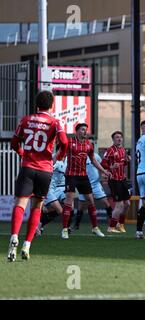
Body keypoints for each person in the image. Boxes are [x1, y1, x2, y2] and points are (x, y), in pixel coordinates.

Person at [7, 91, 68, 261]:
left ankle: (14, 237)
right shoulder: (55, 122)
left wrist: (22, 153)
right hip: (45, 170)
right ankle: (27, 244)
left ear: (36, 105)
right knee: (37, 205)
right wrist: (59, 157)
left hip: (28, 167)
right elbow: (64, 143)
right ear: (52, 105)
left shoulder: (26, 120)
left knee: (20, 203)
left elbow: (14, 143)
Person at [61, 123, 109, 239]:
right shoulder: (69, 142)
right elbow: (61, 155)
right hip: (71, 175)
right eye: (82, 130)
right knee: (69, 201)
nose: (84, 132)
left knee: (90, 201)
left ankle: (95, 228)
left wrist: (103, 171)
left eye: (85, 130)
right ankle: (65, 229)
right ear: (76, 131)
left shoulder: (88, 145)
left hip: (83, 176)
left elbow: (93, 160)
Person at [71, 151, 113, 232]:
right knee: (80, 207)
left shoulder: (96, 156)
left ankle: (113, 224)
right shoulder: (80, 156)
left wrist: (104, 174)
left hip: (96, 184)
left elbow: (101, 166)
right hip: (84, 184)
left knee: (106, 203)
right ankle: (76, 225)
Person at [101, 131, 131, 233]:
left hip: (122, 179)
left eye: (120, 137)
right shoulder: (110, 150)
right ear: (113, 139)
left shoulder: (123, 150)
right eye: (117, 137)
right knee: (119, 205)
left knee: (127, 204)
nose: (119, 139)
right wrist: (110, 167)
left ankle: (121, 224)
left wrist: (127, 161)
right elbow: (103, 163)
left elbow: (123, 164)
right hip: (114, 180)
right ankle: (111, 227)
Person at [36, 157, 67, 235]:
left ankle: (39, 223)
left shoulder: (66, 161)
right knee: (60, 210)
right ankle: (38, 223)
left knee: (48, 210)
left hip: (57, 189)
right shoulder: (55, 160)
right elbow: (46, 171)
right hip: (48, 189)